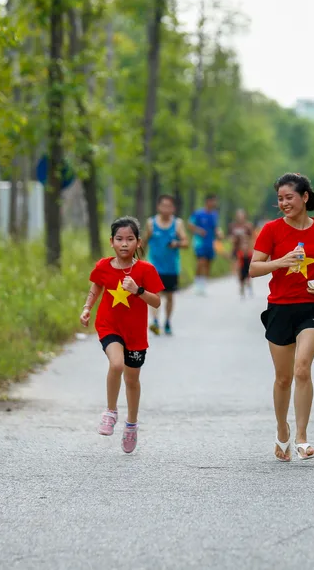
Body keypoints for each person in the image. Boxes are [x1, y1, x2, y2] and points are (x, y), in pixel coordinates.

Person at [250, 173, 314, 462]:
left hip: (313, 306)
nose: (284, 203)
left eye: (289, 197)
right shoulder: (271, 230)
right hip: (280, 307)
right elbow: (253, 268)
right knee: (283, 378)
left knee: (302, 369)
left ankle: (303, 438)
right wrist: (282, 262)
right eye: (280, 199)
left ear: (304, 197)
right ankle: (283, 429)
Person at [80, 217, 164, 454]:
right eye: (119, 239)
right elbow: (96, 286)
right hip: (109, 326)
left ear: (138, 242)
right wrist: (87, 308)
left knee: (132, 380)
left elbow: (156, 301)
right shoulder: (103, 266)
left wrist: (137, 290)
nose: (124, 244)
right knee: (116, 364)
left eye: (129, 239)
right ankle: (110, 411)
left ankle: (131, 424)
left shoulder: (145, 270)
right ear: (111, 242)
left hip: (135, 334)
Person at [142, 195, 189, 336]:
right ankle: (155, 321)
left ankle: (167, 321)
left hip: (171, 267)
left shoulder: (177, 224)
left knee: (169, 296)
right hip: (154, 266)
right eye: (163, 205)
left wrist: (177, 243)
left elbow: (186, 242)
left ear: (173, 208)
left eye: (169, 206)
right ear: (158, 207)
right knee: (154, 294)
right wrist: (138, 257)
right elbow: (144, 241)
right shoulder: (151, 223)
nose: (166, 209)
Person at [188, 194, 223, 296]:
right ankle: (197, 283)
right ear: (207, 201)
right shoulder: (198, 213)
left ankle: (203, 285)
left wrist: (219, 233)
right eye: (213, 201)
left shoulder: (214, 215)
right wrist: (198, 230)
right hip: (199, 242)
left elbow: (215, 227)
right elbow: (190, 224)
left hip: (210, 242)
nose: (215, 203)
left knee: (208, 263)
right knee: (201, 262)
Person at [230, 208, 256, 299]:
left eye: (242, 215)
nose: (240, 217)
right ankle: (241, 284)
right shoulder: (233, 226)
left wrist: (252, 249)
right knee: (239, 267)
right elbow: (230, 237)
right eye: (238, 216)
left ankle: (249, 285)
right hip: (237, 250)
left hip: (246, 251)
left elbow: (253, 238)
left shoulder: (248, 226)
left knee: (247, 269)